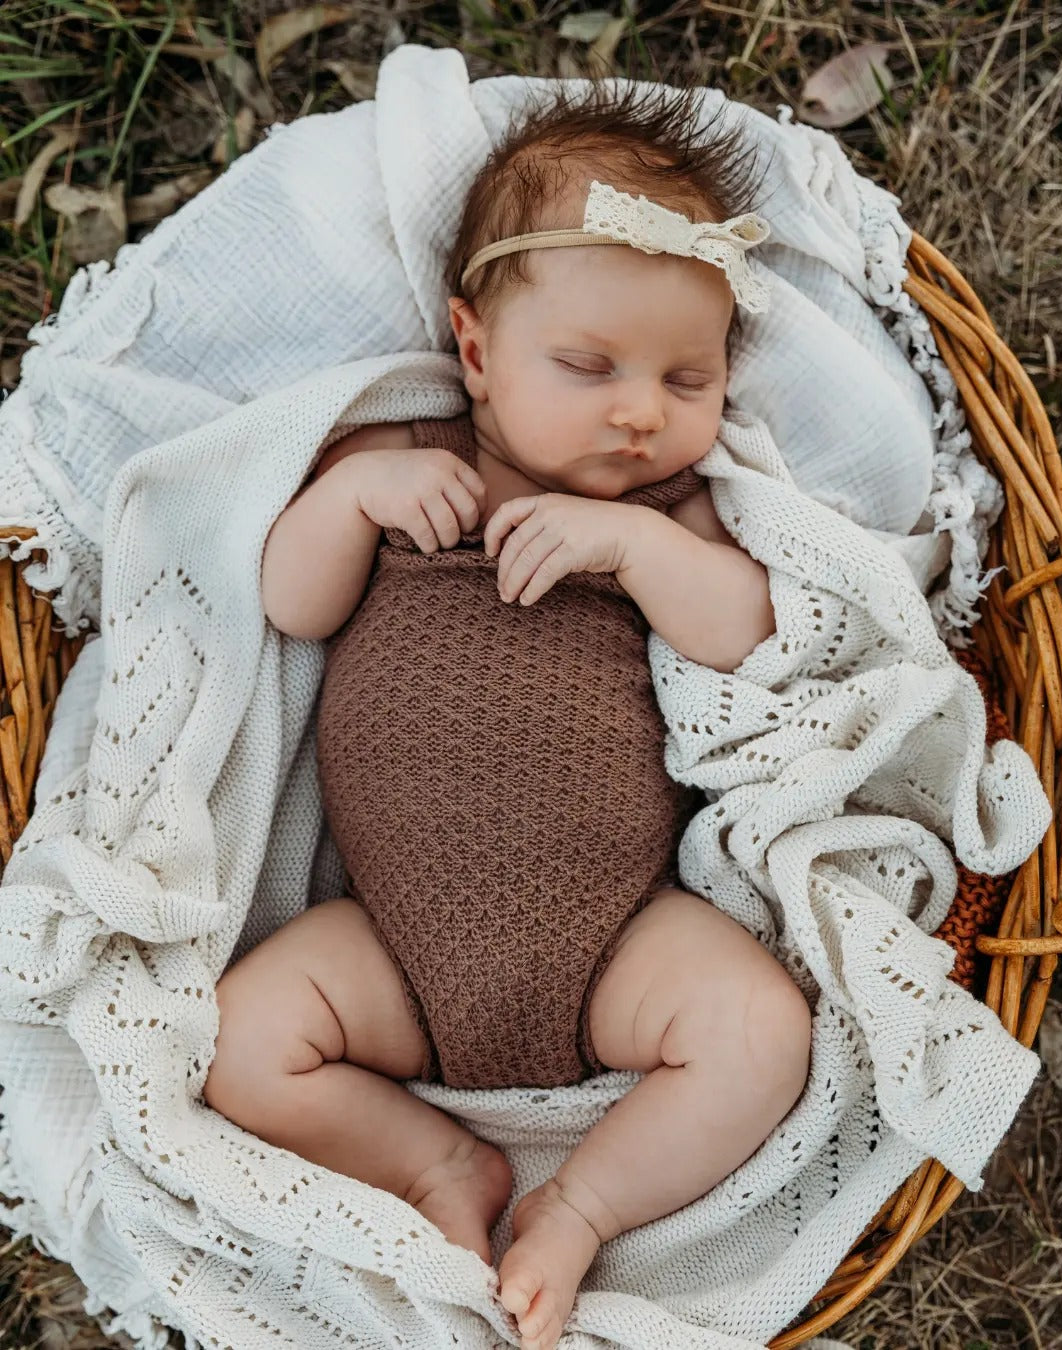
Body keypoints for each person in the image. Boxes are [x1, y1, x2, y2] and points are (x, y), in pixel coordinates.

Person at [203, 77, 812, 1350]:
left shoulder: (667, 519)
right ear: (475, 351)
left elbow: (753, 632)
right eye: (588, 367)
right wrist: (357, 498)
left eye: (685, 378)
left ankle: (578, 1208)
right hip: (394, 952)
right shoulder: (396, 462)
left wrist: (637, 552)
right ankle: (437, 1167)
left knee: (761, 1031)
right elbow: (288, 603)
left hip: (614, 943)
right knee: (238, 1042)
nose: (640, 410)